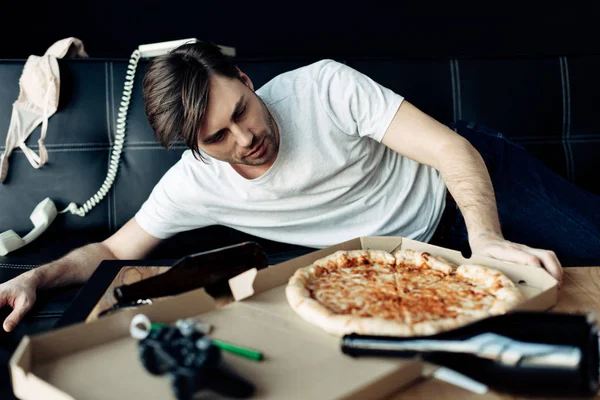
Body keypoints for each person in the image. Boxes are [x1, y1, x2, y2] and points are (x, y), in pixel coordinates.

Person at [1, 41, 599, 333]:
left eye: (242, 110)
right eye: (218, 138)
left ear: (245, 78)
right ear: (195, 149)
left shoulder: (323, 87)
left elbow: (448, 148)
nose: (245, 138)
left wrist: (485, 238)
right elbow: (109, 252)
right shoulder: (194, 184)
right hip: (395, 262)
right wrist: (33, 276)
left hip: (463, 181)